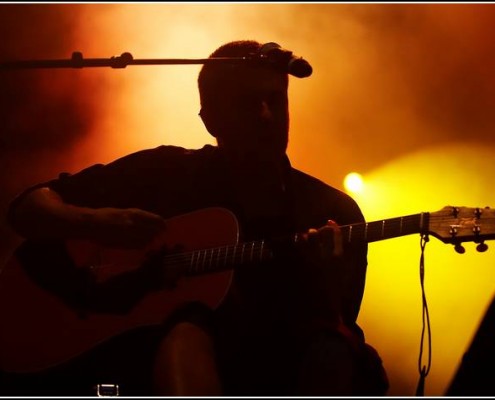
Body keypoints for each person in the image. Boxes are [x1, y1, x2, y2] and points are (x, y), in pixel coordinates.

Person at [2, 39, 388, 396]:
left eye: (276, 100)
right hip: (136, 359)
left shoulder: (332, 211)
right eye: (247, 103)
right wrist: (95, 223)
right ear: (210, 120)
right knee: (186, 327)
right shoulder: (166, 171)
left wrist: (322, 281)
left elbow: (333, 326)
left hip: (267, 367)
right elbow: (28, 208)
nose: (267, 116)